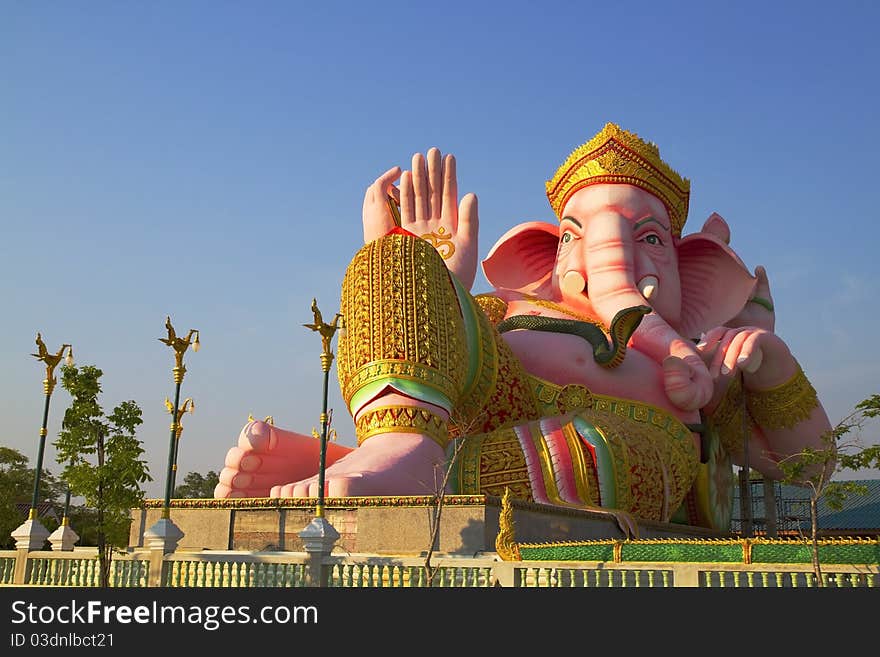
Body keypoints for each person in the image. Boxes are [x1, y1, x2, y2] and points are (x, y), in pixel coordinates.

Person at [215, 123, 832, 531]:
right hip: (490, 401)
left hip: (624, 446)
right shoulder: (509, 309)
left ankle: (397, 469)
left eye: (649, 238)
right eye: (574, 235)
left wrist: (772, 365)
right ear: (545, 256)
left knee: (613, 454)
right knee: (402, 256)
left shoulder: (699, 361)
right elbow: (442, 352)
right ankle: (398, 445)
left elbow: (806, 466)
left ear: (693, 272)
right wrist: (437, 276)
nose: (605, 258)